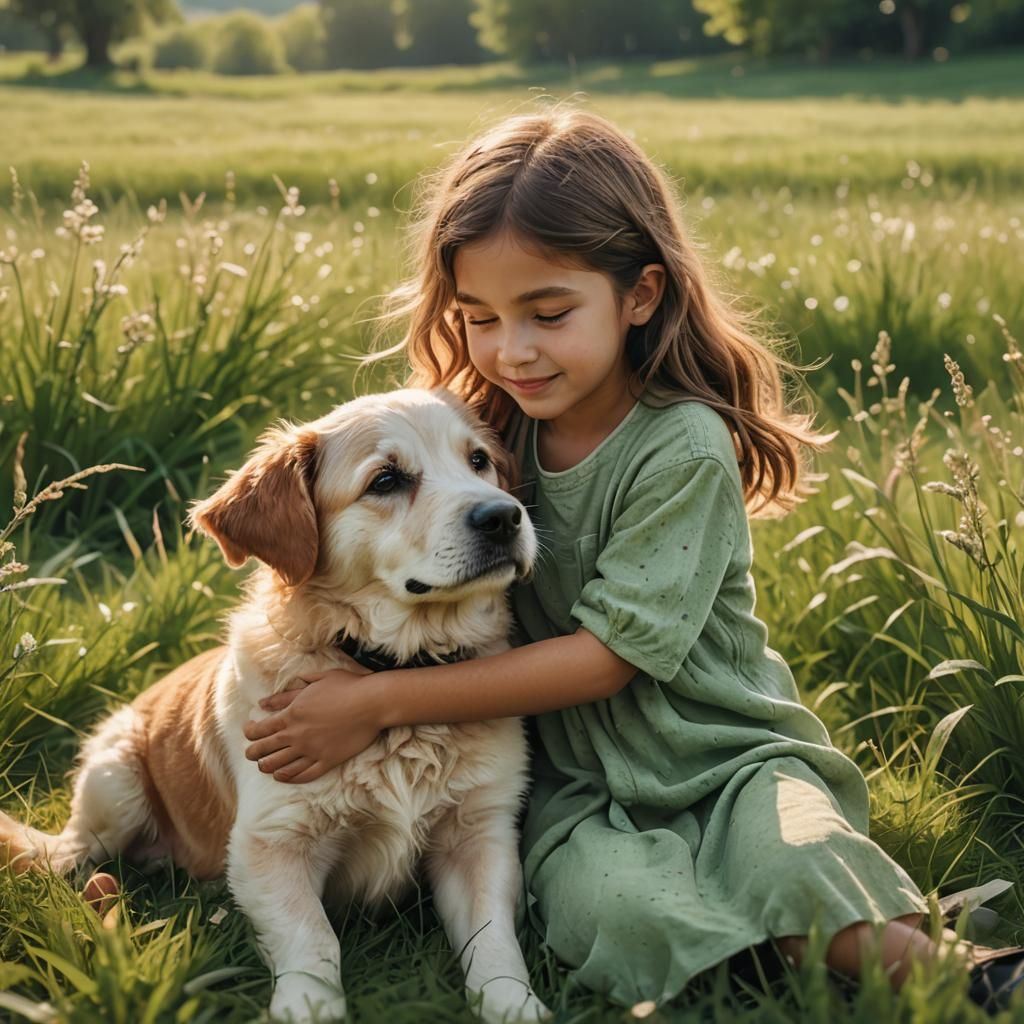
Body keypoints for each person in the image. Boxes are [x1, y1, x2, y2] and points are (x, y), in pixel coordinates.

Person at [240, 107, 1024, 1013]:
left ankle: (962, 970)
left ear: (640, 294)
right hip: (572, 786)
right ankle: (760, 962)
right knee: (612, 905)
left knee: (791, 855)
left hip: (725, 756)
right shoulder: (488, 436)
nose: (512, 350)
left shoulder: (679, 446)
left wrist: (374, 703)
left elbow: (609, 658)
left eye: (549, 312)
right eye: (480, 318)